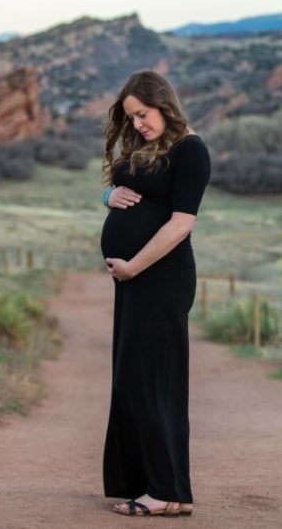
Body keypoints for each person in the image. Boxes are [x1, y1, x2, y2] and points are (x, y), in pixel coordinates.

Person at [99, 69, 211, 518]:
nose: (138, 124)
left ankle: (163, 490)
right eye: (131, 117)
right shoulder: (145, 149)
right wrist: (109, 196)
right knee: (135, 379)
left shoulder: (191, 150)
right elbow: (121, 187)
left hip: (160, 278)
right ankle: (165, 490)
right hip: (134, 279)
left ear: (163, 104)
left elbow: (181, 224)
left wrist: (133, 267)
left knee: (151, 381)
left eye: (143, 114)